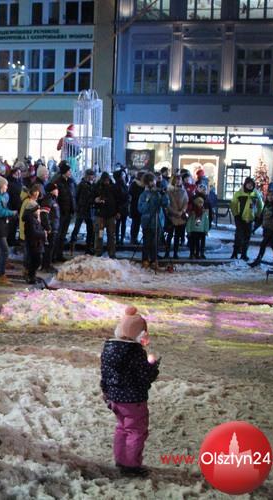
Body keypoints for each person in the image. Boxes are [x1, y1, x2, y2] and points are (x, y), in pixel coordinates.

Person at [101, 306, 160, 477]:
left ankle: (121, 460)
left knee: (122, 428)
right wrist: (152, 365)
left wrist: (106, 391)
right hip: (133, 400)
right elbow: (145, 376)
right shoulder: (135, 353)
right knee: (136, 431)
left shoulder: (109, 349)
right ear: (140, 334)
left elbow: (105, 374)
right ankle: (131, 466)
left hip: (114, 398)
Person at [138, 173, 169, 269]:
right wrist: (148, 200)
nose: (153, 183)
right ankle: (145, 260)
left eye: (154, 181)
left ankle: (154, 260)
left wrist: (164, 195)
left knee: (155, 243)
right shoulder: (143, 195)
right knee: (146, 242)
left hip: (158, 221)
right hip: (147, 222)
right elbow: (141, 209)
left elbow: (166, 204)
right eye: (151, 181)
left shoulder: (158, 193)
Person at [230, 177, 263, 260]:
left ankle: (244, 254)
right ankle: (235, 253)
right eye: (248, 184)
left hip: (250, 219)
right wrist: (236, 215)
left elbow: (260, 206)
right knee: (238, 236)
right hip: (240, 218)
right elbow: (233, 205)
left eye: (251, 184)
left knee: (247, 238)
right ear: (245, 184)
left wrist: (258, 216)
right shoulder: (239, 193)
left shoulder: (256, 194)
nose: (250, 185)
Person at [249, 190, 273, 268]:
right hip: (266, 227)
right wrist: (255, 227)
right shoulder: (267, 204)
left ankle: (258, 260)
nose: (270, 197)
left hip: (272, 228)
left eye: (272, 195)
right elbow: (262, 217)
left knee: (263, 244)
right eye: (269, 195)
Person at [53, 161, 76, 261]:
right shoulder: (58, 182)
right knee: (58, 235)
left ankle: (59, 254)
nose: (70, 172)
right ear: (64, 172)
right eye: (69, 171)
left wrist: (73, 208)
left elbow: (73, 196)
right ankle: (53, 255)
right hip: (61, 212)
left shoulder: (71, 182)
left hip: (68, 212)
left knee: (63, 235)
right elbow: (56, 198)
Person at [93, 172, 119, 258]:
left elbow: (118, 200)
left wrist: (118, 211)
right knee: (99, 234)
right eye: (105, 180)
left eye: (107, 180)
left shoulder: (113, 188)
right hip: (100, 215)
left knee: (111, 235)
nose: (106, 182)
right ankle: (98, 252)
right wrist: (95, 200)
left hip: (111, 215)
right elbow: (91, 199)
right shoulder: (97, 187)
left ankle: (111, 253)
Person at [70, 169, 96, 254]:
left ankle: (88, 248)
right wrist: (76, 208)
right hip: (81, 210)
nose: (92, 177)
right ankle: (72, 247)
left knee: (90, 230)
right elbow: (76, 197)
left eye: (92, 176)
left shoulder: (93, 185)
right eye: (91, 175)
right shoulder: (81, 185)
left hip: (89, 210)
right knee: (77, 228)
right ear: (87, 176)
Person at [164, 175, 188, 260]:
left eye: (179, 180)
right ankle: (167, 253)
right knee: (169, 235)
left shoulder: (183, 191)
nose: (178, 181)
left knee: (177, 236)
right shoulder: (169, 191)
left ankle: (175, 253)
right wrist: (174, 212)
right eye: (177, 180)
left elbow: (186, 202)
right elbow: (167, 204)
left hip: (180, 217)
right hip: (171, 216)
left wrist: (182, 211)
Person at [23, 203, 46, 284]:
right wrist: (43, 234)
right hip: (34, 244)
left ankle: (32, 276)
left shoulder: (34, 219)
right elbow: (33, 232)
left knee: (36, 260)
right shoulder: (31, 220)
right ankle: (31, 277)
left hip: (37, 243)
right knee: (34, 261)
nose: (39, 211)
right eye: (38, 209)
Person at [39, 183, 60, 272]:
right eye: (56, 189)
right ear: (52, 190)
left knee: (51, 247)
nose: (57, 191)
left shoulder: (53, 199)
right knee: (48, 248)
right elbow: (44, 214)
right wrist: (48, 227)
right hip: (50, 228)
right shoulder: (48, 200)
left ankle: (48, 264)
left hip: (53, 227)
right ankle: (46, 266)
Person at [186, 195, 209, 259]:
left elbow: (206, 222)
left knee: (199, 243)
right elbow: (189, 222)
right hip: (193, 230)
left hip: (201, 231)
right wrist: (188, 230)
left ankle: (197, 254)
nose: (201, 204)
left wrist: (206, 230)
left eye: (202, 203)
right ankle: (192, 253)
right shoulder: (192, 213)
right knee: (193, 243)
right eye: (199, 202)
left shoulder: (204, 213)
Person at [114, 170, 130, 246]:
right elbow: (116, 199)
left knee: (123, 224)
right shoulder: (117, 186)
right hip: (119, 208)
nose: (124, 176)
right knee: (118, 224)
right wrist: (118, 210)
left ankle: (121, 239)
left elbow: (127, 197)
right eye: (122, 175)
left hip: (124, 208)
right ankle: (117, 239)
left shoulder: (124, 185)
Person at [128, 172, 145, 245]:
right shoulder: (134, 184)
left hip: (141, 207)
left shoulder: (144, 185)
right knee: (135, 224)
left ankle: (137, 239)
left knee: (140, 224)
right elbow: (132, 195)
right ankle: (133, 239)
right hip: (135, 207)